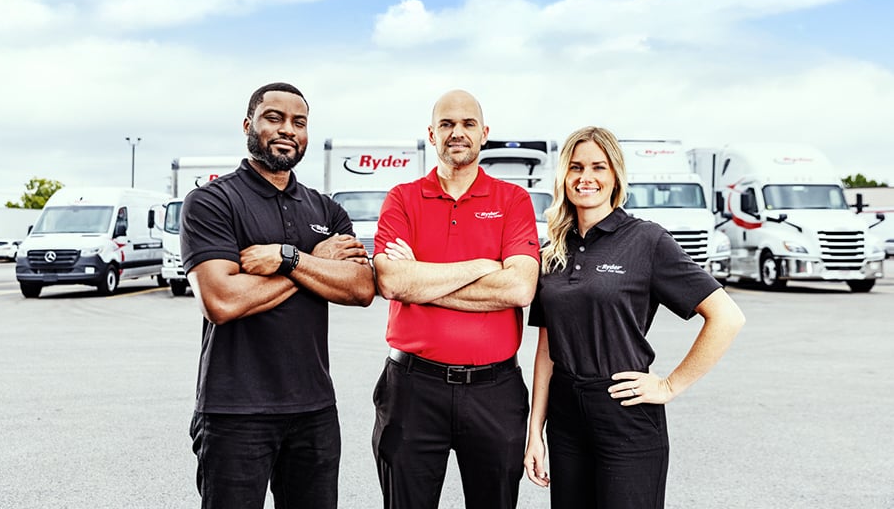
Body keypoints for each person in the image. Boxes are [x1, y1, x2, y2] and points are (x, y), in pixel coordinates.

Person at [523, 126, 746, 509]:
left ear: (615, 177)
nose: (585, 178)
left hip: (625, 413)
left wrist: (670, 386)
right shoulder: (553, 251)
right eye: (575, 167)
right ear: (563, 175)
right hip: (565, 419)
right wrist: (535, 431)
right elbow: (547, 347)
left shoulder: (646, 240)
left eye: (598, 167)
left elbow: (727, 316)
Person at [180, 82, 376, 509]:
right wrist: (313, 263)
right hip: (233, 412)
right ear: (249, 125)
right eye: (275, 118)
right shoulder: (212, 202)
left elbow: (362, 288)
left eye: (299, 122)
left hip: (315, 411)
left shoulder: (325, 209)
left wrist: (289, 260)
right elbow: (222, 301)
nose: (288, 129)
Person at [372, 89, 541, 509]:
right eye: (446, 124)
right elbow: (392, 281)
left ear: (484, 134)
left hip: (494, 390)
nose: (457, 133)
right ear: (432, 134)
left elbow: (519, 288)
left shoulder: (513, 200)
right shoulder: (403, 198)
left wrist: (422, 279)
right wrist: (485, 265)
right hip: (412, 388)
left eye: (467, 124)